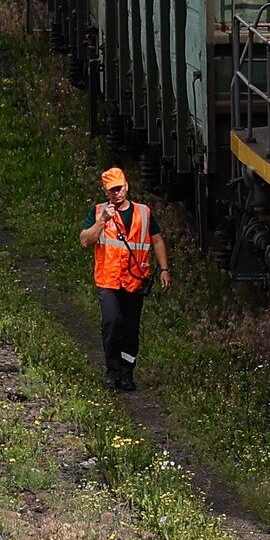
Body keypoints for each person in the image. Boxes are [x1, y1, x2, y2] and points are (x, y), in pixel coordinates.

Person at [83, 167, 163, 391]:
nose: (116, 193)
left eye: (119, 188)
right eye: (112, 190)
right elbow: (85, 240)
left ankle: (127, 374)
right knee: (111, 323)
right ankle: (112, 372)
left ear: (126, 186)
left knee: (130, 329)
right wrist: (102, 222)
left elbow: (157, 240)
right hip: (108, 280)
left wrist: (164, 269)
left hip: (134, 280)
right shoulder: (99, 212)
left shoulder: (144, 213)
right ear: (106, 192)